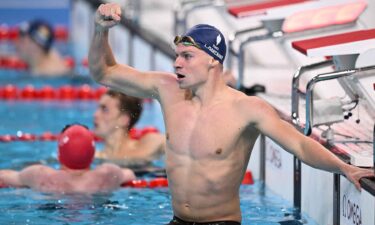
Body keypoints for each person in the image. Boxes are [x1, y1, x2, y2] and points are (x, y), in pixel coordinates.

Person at [89, 3, 375, 224]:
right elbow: (104, 72)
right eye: (176, 55)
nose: (177, 63)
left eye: (187, 57)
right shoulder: (168, 90)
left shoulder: (246, 109)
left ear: (213, 62)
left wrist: (345, 167)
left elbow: (300, 144)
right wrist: (100, 30)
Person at [0, 124, 136, 194]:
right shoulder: (108, 173)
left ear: (59, 153)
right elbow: (130, 174)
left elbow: (5, 176)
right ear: (92, 153)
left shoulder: (40, 175)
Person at [94, 89, 165, 167]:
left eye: (105, 109)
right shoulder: (95, 156)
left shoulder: (149, 145)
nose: (96, 115)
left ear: (123, 119)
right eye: (98, 108)